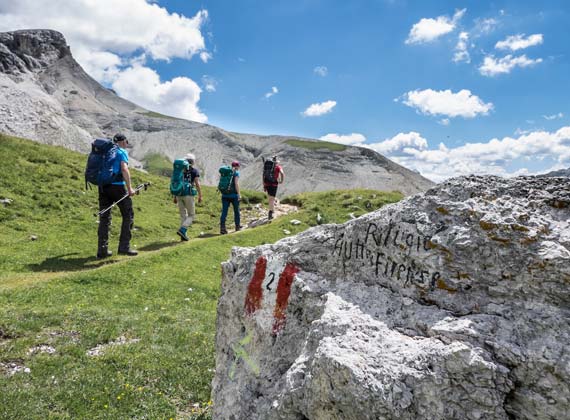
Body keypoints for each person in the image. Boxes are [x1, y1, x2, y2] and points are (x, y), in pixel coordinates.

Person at [97, 133, 138, 258]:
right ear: (123, 141)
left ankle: (102, 250)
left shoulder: (105, 152)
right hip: (117, 186)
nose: (126, 144)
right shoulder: (121, 152)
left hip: (103, 186)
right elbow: (124, 169)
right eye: (126, 141)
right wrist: (130, 188)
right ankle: (124, 247)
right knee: (128, 214)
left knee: (105, 217)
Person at [174, 153, 202, 241]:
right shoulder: (194, 171)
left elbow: (176, 183)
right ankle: (183, 229)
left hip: (179, 194)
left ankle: (183, 236)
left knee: (183, 215)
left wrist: (175, 196)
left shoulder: (180, 170)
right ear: (193, 162)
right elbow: (197, 184)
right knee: (192, 215)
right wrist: (200, 195)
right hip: (188, 195)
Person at [220, 161, 241, 234]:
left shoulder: (225, 172)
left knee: (224, 212)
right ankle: (237, 226)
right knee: (236, 211)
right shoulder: (236, 173)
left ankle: (222, 228)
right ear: (237, 166)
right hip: (234, 195)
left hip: (224, 195)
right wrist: (239, 194)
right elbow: (236, 183)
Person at [263, 156, 284, 220]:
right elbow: (282, 173)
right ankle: (270, 212)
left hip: (267, 184)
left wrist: (264, 185)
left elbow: (263, 176)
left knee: (270, 198)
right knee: (272, 198)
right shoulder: (278, 167)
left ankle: (272, 209)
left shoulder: (266, 167)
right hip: (274, 184)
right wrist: (281, 181)